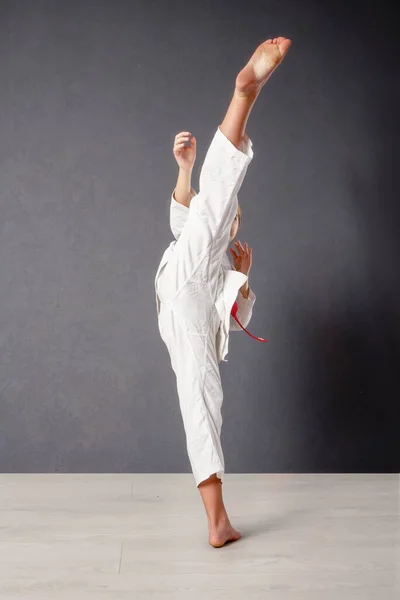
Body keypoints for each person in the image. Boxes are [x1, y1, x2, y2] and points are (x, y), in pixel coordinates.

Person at [154, 37, 291, 548]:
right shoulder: (201, 231)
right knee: (201, 400)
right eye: (231, 215)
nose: (233, 218)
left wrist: (244, 276)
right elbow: (191, 214)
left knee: (201, 397)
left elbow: (232, 316)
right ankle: (244, 95)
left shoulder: (218, 257)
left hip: (179, 304)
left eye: (237, 219)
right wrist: (186, 169)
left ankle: (218, 521)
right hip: (179, 286)